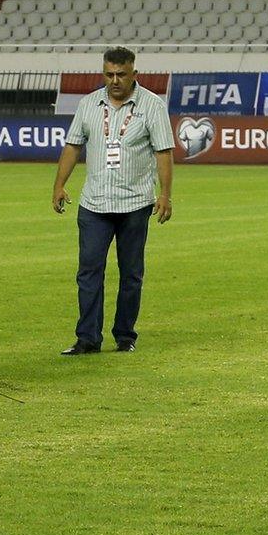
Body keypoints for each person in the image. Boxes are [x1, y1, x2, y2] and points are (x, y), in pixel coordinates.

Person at [50, 47, 173, 355]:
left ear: (134, 74)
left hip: (135, 204)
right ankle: (87, 339)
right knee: (89, 272)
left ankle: (125, 336)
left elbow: (164, 152)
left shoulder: (152, 106)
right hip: (95, 204)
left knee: (131, 274)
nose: (115, 80)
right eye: (109, 74)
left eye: (121, 74)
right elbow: (72, 146)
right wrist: (59, 185)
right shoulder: (89, 104)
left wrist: (165, 195)